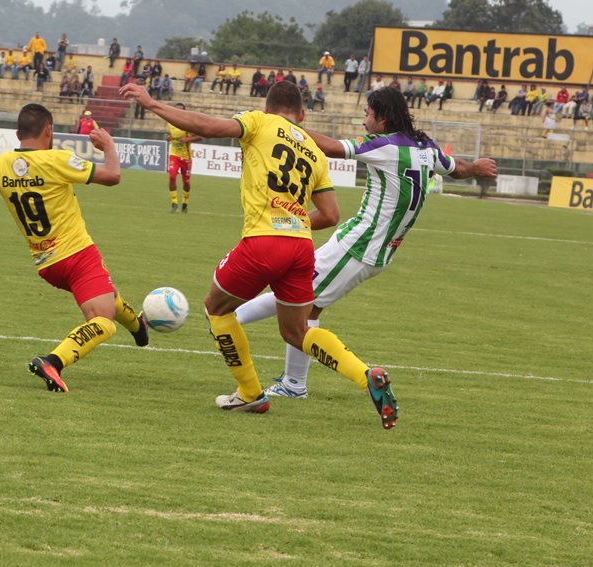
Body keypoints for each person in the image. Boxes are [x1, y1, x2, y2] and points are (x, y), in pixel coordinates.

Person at [121, 79, 398, 428]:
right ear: (301, 113)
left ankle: (250, 393)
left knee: (216, 308)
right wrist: (292, 221)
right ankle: (365, 374)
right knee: (297, 332)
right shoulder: (313, 151)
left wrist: (153, 104)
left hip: (264, 241)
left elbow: (206, 125)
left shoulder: (259, 121)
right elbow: (330, 215)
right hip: (301, 247)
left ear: (268, 108)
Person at [234, 87, 497, 404]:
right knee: (297, 296)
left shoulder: (383, 145)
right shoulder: (425, 147)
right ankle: (232, 321)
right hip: (373, 248)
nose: (363, 121)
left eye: (367, 115)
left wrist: (279, 125)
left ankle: (290, 379)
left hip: (359, 246)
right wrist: (477, 168)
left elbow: (330, 147)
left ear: (382, 118)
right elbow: (459, 169)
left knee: (304, 308)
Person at [0, 105, 149, 393]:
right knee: (103, 322)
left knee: (104, 294)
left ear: (17, 134)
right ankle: (53, 361)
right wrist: (110, 146)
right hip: (77, 255)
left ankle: (139, 328)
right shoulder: (57, 159)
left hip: (47, 265)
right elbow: (113, 176)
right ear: (49, 130)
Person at [166, 105, 200, 213]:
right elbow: (169, 135)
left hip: (186, 157)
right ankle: (174, 202)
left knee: (186, 182)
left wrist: (188, 139)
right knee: (172, 176)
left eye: (180, 110)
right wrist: (168, 138)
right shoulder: (170, 122)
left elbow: (200, 136)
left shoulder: (188, 124)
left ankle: (185, 202)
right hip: (174, 155)